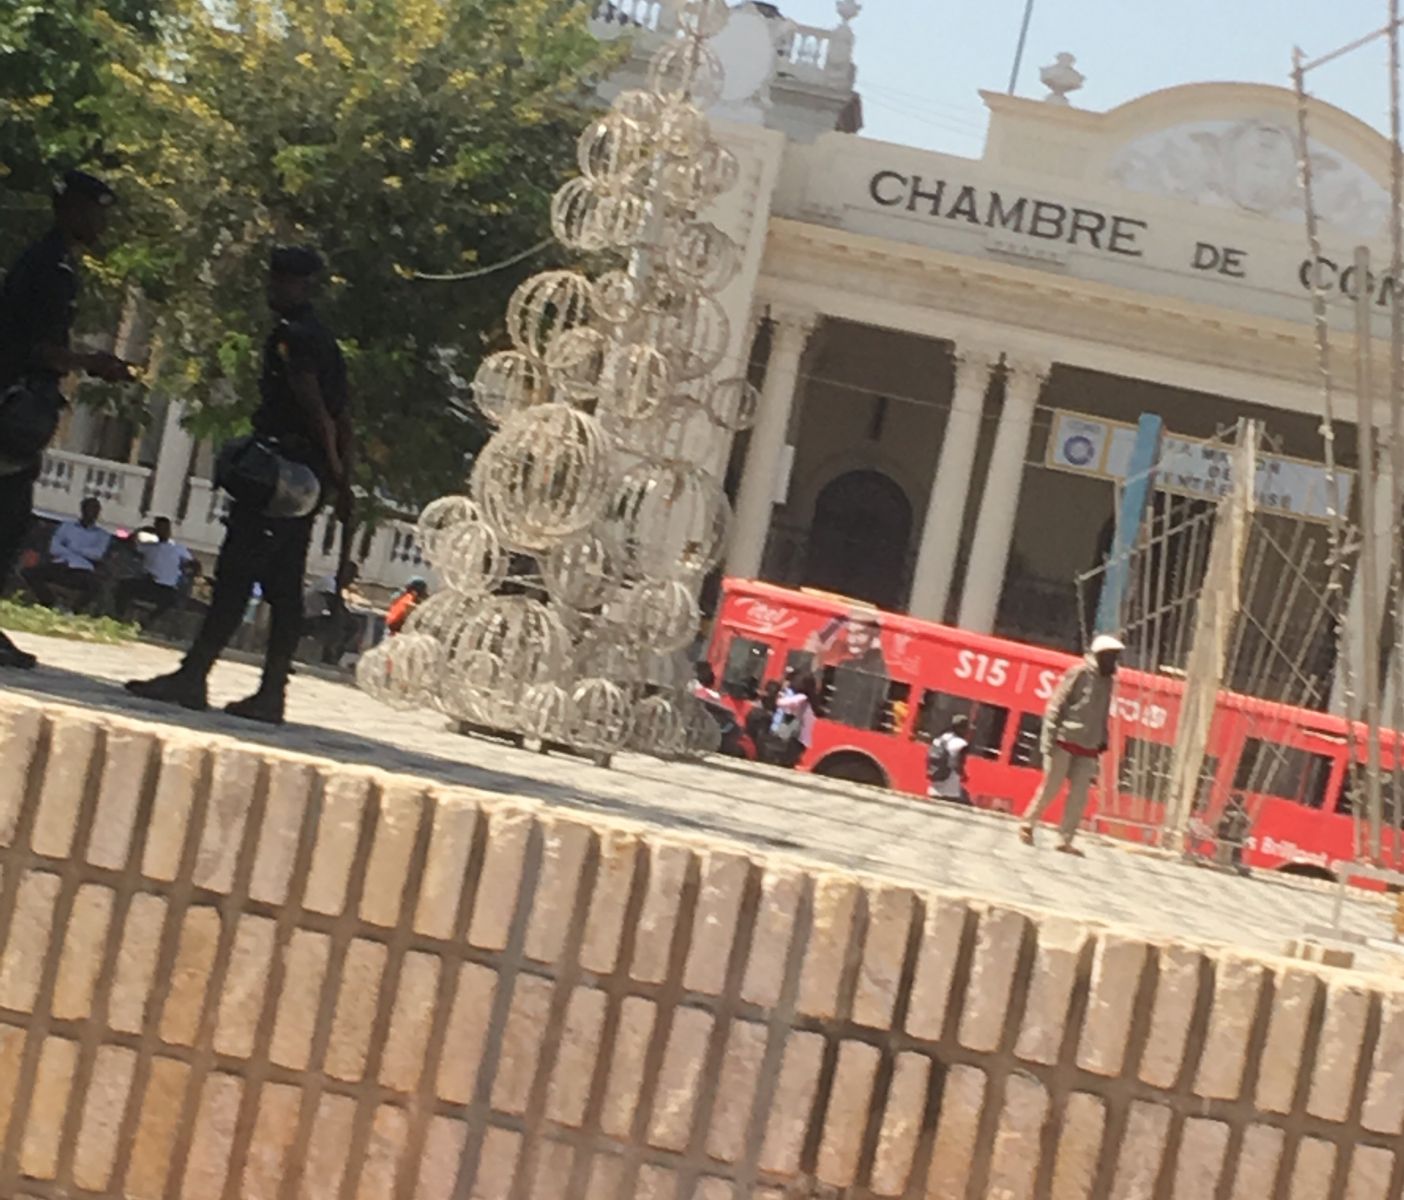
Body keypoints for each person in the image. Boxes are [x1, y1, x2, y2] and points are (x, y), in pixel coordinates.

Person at [127, 246, 353, 723]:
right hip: (303, 474)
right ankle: (269, 690)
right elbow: (341, 413)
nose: (275, 290)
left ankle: (198, 676)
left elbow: (318, 408)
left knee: (237, 575)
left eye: (284, 282)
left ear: (303, 286)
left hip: (283, 473)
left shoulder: (297, 338)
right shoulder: (322, 339)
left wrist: (335, 466)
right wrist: (338, 474)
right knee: (284, 586)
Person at [0, 170, 132, 667]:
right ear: (71, 209)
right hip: (14, 404)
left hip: (20, 401)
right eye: (95, 210)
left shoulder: (52, 263)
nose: (101, 221)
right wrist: (92, 363)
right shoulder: (50, 268)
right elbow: (34, 346)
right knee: (9, 520)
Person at [1019, 634, 1124, 855]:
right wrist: (1048, 740)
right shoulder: (1079, 673)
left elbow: (1103, 713)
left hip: (1089, 745)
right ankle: (1028, 823)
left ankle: (1065, 839)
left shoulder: (1109, 681)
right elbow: (1055, 706)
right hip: (1065, 738)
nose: (1114, 660)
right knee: (1052, 786)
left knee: (1079, 796)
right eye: (1111, 655)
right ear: (1099, 655)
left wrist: (1103, 739)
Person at [23, 496, 111, 612]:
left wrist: (70, 547)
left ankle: (75, 610)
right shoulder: (67, 527)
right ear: (82, 510)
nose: (92, 513)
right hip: (61, 564)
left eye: (95, 510)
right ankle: (50, 602)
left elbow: (97, 554)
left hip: (82, 569)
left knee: (96, 586)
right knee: (29, 573)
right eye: (90, 509)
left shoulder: (102, 535)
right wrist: (81, 551)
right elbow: (54, 548)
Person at [114, 516, 198, 627]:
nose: (162, 531)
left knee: (170, 600)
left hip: (167, 586)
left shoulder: (178, 549)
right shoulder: (148, 547)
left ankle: (147, 621)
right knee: (124, 586)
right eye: (159, 528)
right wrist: (141, 530)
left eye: (165, 528)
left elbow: (193, 564)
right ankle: (118, 617)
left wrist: (189, 571)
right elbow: (131, 543)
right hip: (149, 582)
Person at [772, 673, 819, 768]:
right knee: (787, 763)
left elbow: (785, 703)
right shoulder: (810, 700)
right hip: (802, 740)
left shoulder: (803, 697)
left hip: (797, 738)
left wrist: (778, 698)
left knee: (784, 763)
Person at [928, 713, 972, 806]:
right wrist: (963, 774)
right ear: (960, 728)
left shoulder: (940, 738)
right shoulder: (960, 743)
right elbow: (955, 763)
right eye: (966, 728)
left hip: (935, 783)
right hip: (949, 788)